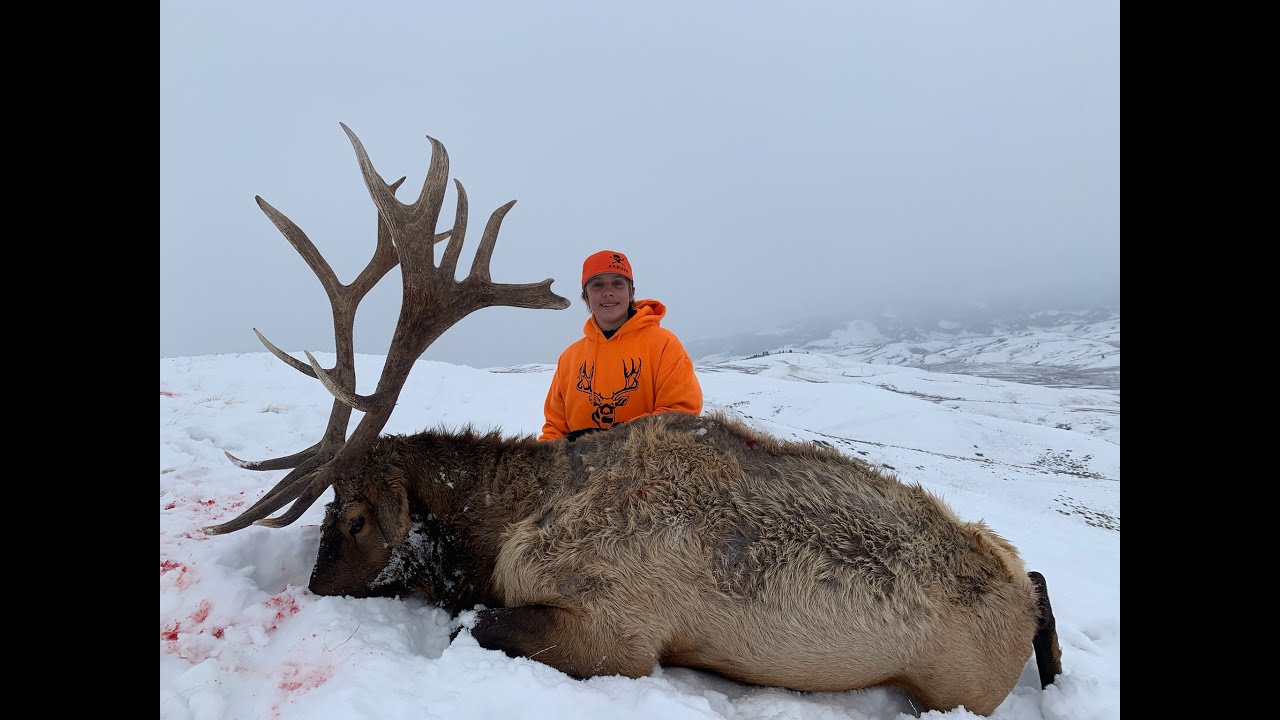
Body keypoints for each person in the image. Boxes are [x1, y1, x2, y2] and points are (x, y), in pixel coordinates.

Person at [539, 250, 702, 441]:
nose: (608, 292)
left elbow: (681, 414)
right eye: (597, 285)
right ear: (585, 296)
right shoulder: (569, 357)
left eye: (617, 283)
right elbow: (554, 429)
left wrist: (604, 440)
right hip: (580, 468)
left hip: (646, 465)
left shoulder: (663, 344)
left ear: (631, 292)